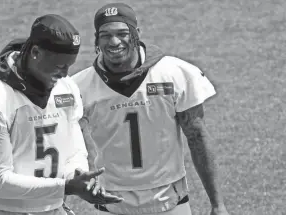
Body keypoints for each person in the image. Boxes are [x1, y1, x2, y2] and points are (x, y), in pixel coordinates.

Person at [71, 3, 230, 215]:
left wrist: (218, 204)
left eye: (122, 33)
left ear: (137, 33)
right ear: (97, 39)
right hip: (111, 202)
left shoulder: (173, 73)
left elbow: (197, 137)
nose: (114, 41)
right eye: (105, 35)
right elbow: (69, 144)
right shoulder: (79, 86)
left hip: (169, 201)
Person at [0, 14, 123, 215]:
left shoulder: (66, 88)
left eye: (69, 66)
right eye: (59, 65)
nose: (64, 74)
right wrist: (66, 187)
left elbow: (74, 151)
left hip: (52, 209)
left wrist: (79, 176)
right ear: (35, 52)